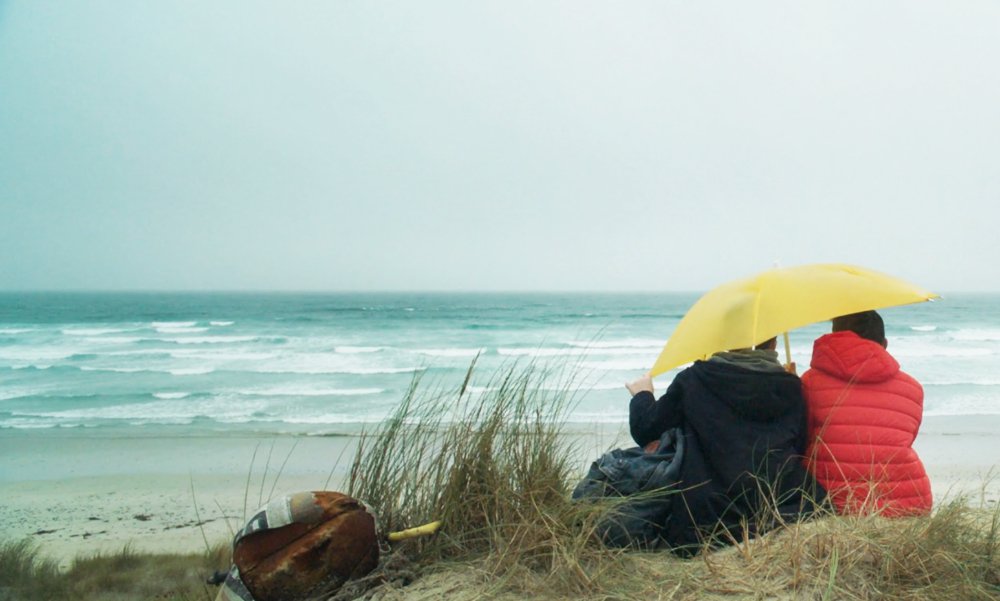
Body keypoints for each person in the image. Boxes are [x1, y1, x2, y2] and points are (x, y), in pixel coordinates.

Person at [626, 337, 825, 555]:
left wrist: (643, 394)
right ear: (774, 344)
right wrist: (789, 381)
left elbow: (646, 430)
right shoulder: (790, 387)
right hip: (779, 510)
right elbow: (799, 447)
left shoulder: (695, 379)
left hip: (705, 520)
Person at [801, 310, 932, 516]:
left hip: (830, 502)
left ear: (835, 337)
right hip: (905, 503)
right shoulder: (912, 388)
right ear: (885, 344)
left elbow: (802, 440)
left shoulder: (809, 382)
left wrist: (789, 389)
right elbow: (905, 438)